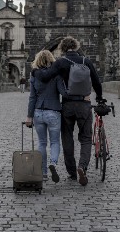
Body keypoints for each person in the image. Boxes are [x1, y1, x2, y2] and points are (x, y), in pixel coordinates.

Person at [33, 36, 103, 186]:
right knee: (85, 138)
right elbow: (97, 82)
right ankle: (82, 166)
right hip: (84, 104)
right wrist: (100, 98)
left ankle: (72, 172)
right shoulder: (86, 61)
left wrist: (34, 72)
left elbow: (45, 77)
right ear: (77, 47)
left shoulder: (61, 63)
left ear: (62, 49)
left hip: (67, 106)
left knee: (67, 138)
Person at [26, 50, 66, 183]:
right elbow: (63, 93)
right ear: (51, 60)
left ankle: (43, 173)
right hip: (53, 112)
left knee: (42, 143)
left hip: (38, 112)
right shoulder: (56, 75)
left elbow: (32, 98)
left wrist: (29, 116)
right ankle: (53, 163)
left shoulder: (34, 75)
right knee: (54, 142)